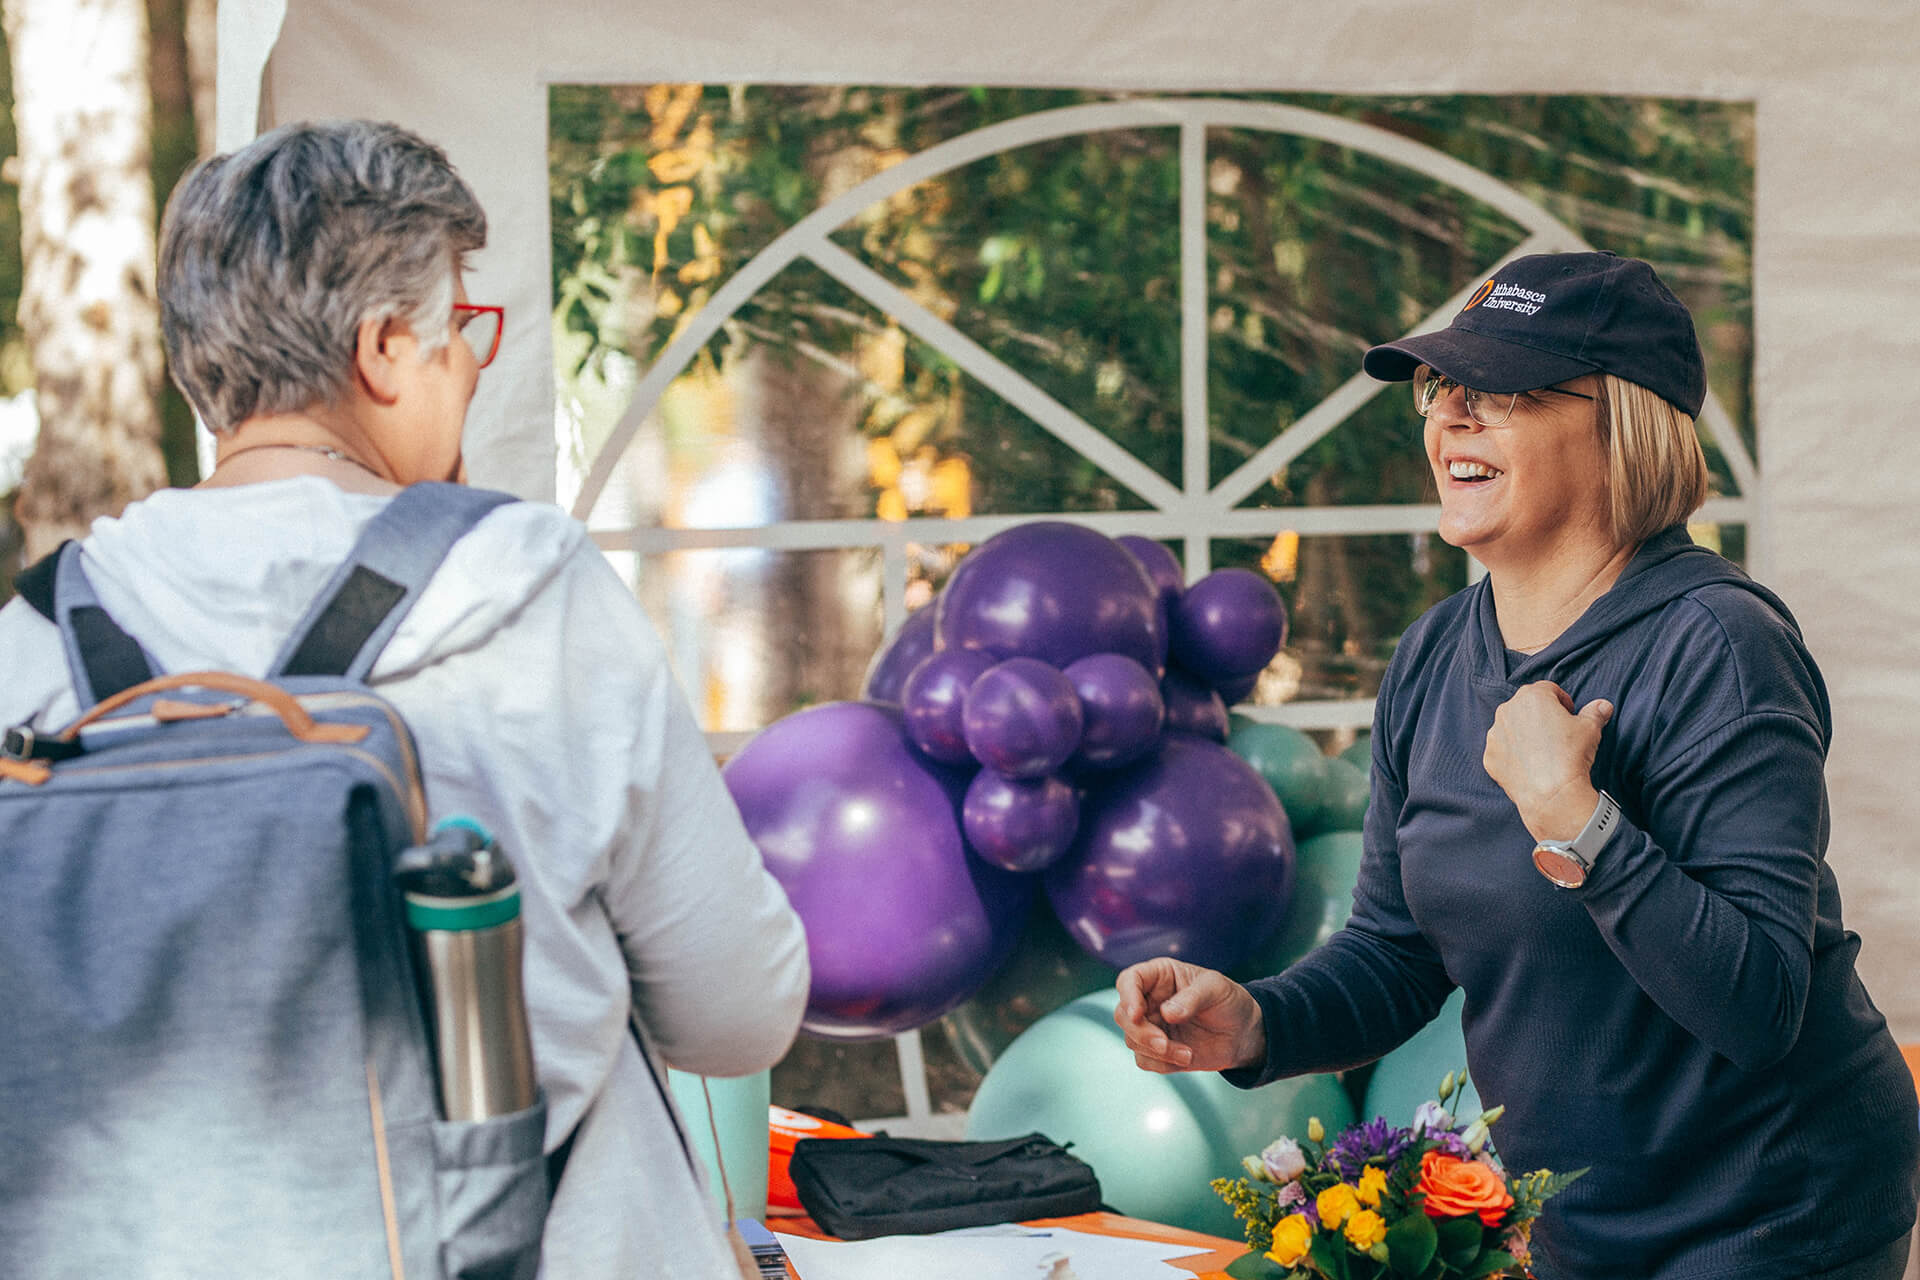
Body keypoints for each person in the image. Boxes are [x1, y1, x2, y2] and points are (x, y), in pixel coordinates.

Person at [0, 119, 809, 1278]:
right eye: (461, 330)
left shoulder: (36, 640)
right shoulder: (535, 590)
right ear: (384, 348)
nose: (474, 363)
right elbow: (737, 1013)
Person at [1114, 252, 1918, 1279]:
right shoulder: (1433, 657)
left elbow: (1758, 1005)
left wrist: (1573, 817)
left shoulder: (1718, 641)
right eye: (1443, 389)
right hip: (1581, 1211)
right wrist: (1259, 1020)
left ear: (1620, 421)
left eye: (1501, 393)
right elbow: (1398, 949)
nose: (1451, 418)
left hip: (1773, 1208)